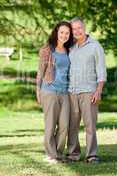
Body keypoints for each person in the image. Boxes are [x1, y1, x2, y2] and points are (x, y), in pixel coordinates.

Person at [67, 17, 107, 163]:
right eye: (74, 29)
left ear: (84, 28)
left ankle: (92, 155)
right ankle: (73, 154)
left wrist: (99, 90)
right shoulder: (70, 47)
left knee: (90, 125)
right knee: (72, 126)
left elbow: (101, 70)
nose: (77, 31)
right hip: (72, 92)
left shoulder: (95, 46)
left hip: (89, 91)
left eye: (79, 28)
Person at [36, 21, 74, 163]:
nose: (64, 35)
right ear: (56, 33)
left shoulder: (69, 50)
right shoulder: (47, 50)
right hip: (49, 91)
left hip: (65, 92)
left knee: (64, 125)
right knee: (50, 124)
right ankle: (51, 154)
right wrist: (38, 90)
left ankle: (58, 153)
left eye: (67, 33)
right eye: (62, 32)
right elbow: (40, 72)